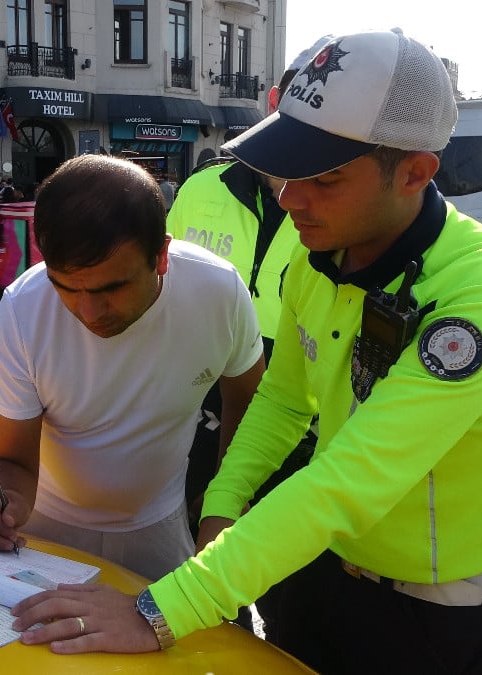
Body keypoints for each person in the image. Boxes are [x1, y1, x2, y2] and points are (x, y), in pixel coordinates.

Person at [11, 30, 482, 675]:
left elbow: (351, 479)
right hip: (315, 578)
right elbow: (285, 400)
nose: (289, 197)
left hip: (439, 620)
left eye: (324, 178)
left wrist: (160, 610)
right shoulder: (317, 261)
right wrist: (219, 507)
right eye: (286, 170)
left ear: (415, 171)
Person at [0, 154, 265, 581]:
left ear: (161, 256)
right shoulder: (23, 308)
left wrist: (226, 496)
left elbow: (249, 400)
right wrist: (4, 501)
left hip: (159, 523)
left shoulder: (219, 291)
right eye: (65, 287)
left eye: (112, 287)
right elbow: (12, 457)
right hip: (44, 531)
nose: (88, 311)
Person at [166, 33, 331, 634]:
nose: (295, 195)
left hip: (301, 419)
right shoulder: (201, 188)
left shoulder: (336, 214)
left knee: (292, 602)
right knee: (213, 597)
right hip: (206, 405)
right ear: (271, 102)